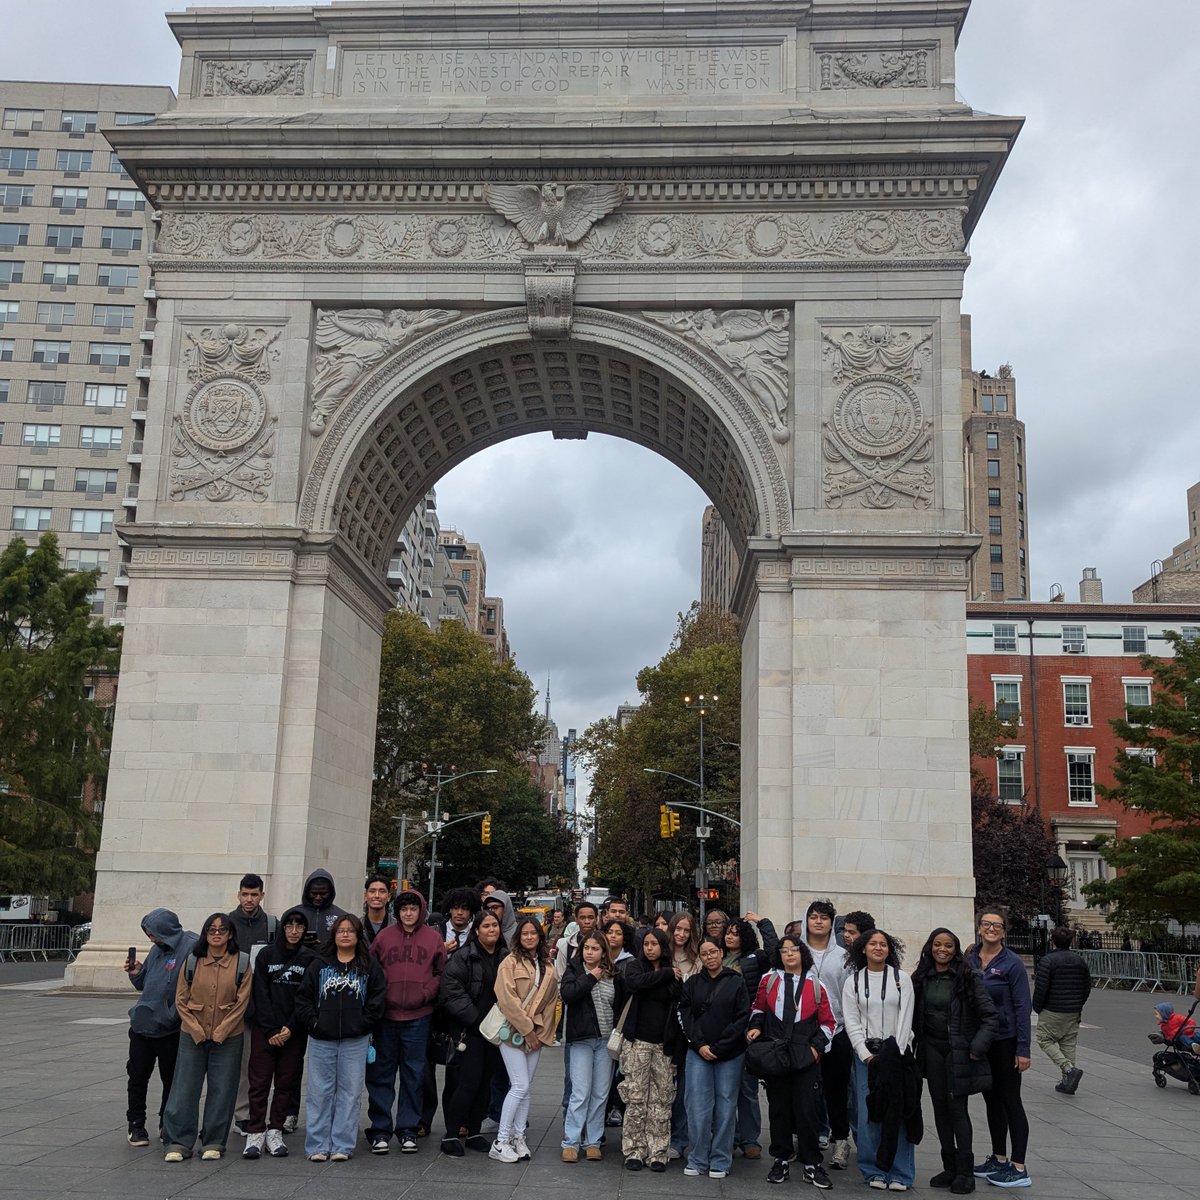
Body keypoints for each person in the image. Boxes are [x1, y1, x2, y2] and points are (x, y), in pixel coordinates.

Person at [293, 914, 387, 1162]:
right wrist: (314, 1022)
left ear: (358, 936)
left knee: (350, 1092)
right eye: (340, 930)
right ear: (333, 936)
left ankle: (342, 1145)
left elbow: (377, 999)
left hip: (355, 1041)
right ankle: (316, 1145)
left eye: (350, 930)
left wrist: (363, 1023)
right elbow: (303, 999)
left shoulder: (369, 965)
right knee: (319, 1092)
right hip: (321, 1039)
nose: (345, 934)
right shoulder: (319, 964)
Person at [911, 927, 999, 1194]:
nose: (942, 950)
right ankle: (949, 1166)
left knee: (957, 1108)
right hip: (932, 1049)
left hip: (959, 1051)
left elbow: (990, 1016)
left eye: (948, 946)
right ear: (930, 947)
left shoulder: (967, 977)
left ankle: (965, 1171)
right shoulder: (921, 977)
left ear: (955, 949)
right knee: (939, 1107)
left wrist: (976, 1048)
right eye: (938, 944)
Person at [162, 913, 253, 1162]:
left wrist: (223, 1029)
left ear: (230, 934)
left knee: (222, 1089)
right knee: (184, 1088)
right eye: (211, 929)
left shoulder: (242, 962)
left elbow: (242, 1002)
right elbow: (181, 999)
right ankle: (179, 1141)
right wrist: (195, 1028)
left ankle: (213, 1141)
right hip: (192, 1034)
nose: (216, 933)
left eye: (222, 930)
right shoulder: (192, 960)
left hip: (229, 1035)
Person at [747, 934, 835, 1190]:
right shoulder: (769, 980)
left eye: (794, 950)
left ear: (802, 953)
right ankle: (781, 1159)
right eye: (784, 951)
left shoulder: (816, 985)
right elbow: (758, 1008)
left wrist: (816, 1048)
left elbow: (829, 1023)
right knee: (779, 1109)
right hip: (776, 1052)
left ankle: (811, 1164)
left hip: (805, 1054)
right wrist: (755, 1027)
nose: (789, 954)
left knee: (807, 1110)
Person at [366, 889, 446, 1154]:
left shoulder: (434, 939)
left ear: (421, 910)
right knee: (381, 1075)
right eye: (403, 910)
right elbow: (371, 970)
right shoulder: (383, 937)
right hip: (386, 1018)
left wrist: (425, 994)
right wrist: (381, 999)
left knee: (414, 1074)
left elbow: (440, 973)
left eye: (413, 909)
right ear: (397, 912)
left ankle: (408, 1129)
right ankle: (379, 1130)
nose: (408, 914)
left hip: (419, 1017)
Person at [842, 928, 919, 1192]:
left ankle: (901, 1172)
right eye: (872, 944)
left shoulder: (902, 980)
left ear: (890, 949)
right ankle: (872, 1169)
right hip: (867, 1057)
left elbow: (906, 1016)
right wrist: (865, 1054)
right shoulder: (853, 981)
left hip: (896, 1056)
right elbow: (851, 1020)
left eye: (883, 944)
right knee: (868, 1115)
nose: (878, 948)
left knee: (899, 1110)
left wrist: (894, 1053)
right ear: (862, 948)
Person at [966, 908, 1033, 1189]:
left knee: (1010, 1101)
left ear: (1004, 931)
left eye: (997, 925)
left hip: (1006, 1040)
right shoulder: (970, 958)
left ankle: (1019, 1166)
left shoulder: (1012, 963)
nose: (991, 929)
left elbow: (1022, 1007)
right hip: (982, 1040)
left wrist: (1023, 1049)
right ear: (979, 927)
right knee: (991, 1101)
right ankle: (999, 1157)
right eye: (986, 924)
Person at [243, 907, 314, 1160]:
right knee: (259, 1082)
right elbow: (259, 993)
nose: (294, 931)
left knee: (286, 1083)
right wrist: (272, 1028)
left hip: (293, 1032)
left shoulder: (309, 958)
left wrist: (290, 1028)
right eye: (289, 926)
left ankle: (275, 1130)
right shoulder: (266, 955)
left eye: (299, 927)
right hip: (265, 1030)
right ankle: (255, 1131)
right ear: (282, 928)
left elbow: (306, 996)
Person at [678, 937, 750, 1179]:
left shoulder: (736, 981)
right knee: (697, 1105)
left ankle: (721, 1158)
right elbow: (685, 1015)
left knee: (726, 1106)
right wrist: (700, 1044)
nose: (709, 957)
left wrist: (720, 1046)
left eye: (713, 952)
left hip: (730, 1054)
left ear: (721, 953)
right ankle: (698, 1156)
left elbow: (742, 1018)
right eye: (704, 954)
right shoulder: (692, 984)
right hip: (698, 1051)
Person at [123, 908, 196, 1147]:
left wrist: (175, 1015)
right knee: (137, 1076)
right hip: (142, 1026)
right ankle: (135, 1123)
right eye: (148, 934)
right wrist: (135, 972)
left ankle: (167, 1122)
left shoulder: (191, 946)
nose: (151, 939)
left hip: (170, 1029)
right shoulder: (156, 950)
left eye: (153, 933)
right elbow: (145, 982)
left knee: (171, 1079)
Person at [438, 908, 508, 1155]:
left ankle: (475, 1130)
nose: (492, 930)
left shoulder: (507, 957)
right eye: (486, 926)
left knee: (486, 1084)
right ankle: (451, 1134)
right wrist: (475, 1019)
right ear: (476, 930)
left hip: (498, 1032)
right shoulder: (463, 956)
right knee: (467, 1083)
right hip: (471, 1030)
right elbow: (451, 991)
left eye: (495, 926)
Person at [489, 916, 559, 1163]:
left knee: (526, 1087)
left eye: (534, 933)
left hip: (535, 1036)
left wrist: (541, 1035)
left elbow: (551, 1004)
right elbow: (506, 999)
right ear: (518, 937)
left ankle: (519, 1137)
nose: (529, 937)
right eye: (525, 933)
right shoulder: (509, 962)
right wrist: (527, 1030)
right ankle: (501, 1140)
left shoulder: (548, 966)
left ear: (540, 937)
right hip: (512, 1032)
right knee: (519, 1085)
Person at [618, 927, 682, 1172]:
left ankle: (658, 1152)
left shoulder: (673, 973)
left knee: (661, 1101)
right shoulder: (636, 966)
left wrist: (663, 977)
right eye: (646, 944)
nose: (650, 948)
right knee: (635, 1098)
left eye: (654, 943)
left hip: (664, 1045)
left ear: (663, 946)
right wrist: (665, 974)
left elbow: (674, 999)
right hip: (638, 1042)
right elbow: (634, 984)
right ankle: (634, 1150)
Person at [803, 899, 854, 1169]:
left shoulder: (844, 957)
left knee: (836, 1091)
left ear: (832, 922)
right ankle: (806, 1141)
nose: (818, 921)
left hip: (838, 1032)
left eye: (824, 917)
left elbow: (850, 994)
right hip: (804, 1034)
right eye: (814, 916)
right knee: (805, 1092)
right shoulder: (797, 952)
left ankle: (841, 1141)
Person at [723, 912, 777, 1160]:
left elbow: (776, 951)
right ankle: (729, 1136)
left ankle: (749, 1139)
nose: (729, 937)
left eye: (735, 933)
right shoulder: (717, 956)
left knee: (747, 1087)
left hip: (747, 1029)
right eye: (727, 932)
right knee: (725, 1087)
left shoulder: (757, 959)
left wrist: (763, 922)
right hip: (722, 1030)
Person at [560, 932, 618, 1161]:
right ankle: (571, 1142)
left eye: (595, 948)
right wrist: (591, 977)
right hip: (581, 1040)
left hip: (606, 1041)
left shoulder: (613, 974)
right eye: (587, 948)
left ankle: (593, 1141)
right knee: (580, 1093)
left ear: (604, 952)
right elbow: (568, 995)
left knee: (600, 1094)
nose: (590, 952)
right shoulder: (574, 971)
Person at [227, 873, 277, 1134]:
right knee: (222, 1065)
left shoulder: (271, 925)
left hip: (256, 1007)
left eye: (254, 894)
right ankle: (220, 1114)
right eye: (245, 894)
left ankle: (242, 1115)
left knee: (249, 1065)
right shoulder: (224, 923)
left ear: (262, 895)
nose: (249, 899)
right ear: (238, 894)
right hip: (226, 1006)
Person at [1032, 926, 1092, 1095]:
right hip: (1073, 1010)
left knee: (1044, 1039)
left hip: (1053, 1007)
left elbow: (1041, 987)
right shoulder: (1079, 960)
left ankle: (1068, 1070)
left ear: (1053, 941)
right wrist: (1079, 1003)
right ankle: (1068, 1081)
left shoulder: (1048, 960)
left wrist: (1037, 1007)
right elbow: (1087, 985)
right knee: (1068, 1043)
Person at [667, 909, 701, 1160]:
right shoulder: (660, 951)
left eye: (686, 930)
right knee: (662, 1089)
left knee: (685, 1093)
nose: (681, 934)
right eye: (678, 928)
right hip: (662, 1028)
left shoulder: (697, 959)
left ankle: (679, 1140)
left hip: (688, 1030)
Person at [297, 869, 348, 946]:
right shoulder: (294, 914)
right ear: (307, 892)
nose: (318, 897)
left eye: (323, 893)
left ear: (331, 892)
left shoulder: (342, 916)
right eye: (314, 893)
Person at [362, 874, 396, 944]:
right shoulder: (356, 926)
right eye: (372, 891)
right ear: (365, 896)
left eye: (382, 891)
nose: (377, 895)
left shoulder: (398, 927)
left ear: (389, 897)